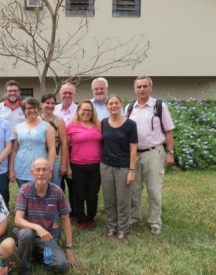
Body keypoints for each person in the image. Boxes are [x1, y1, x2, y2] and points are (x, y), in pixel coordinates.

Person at [13, 158, 76, 275]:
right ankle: (24, 268)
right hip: (26, 232)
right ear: (32, 173)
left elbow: (65, 218)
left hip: (45, 236)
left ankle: (35, 252)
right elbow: (17, 220)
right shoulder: (25, 189)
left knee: (61, 266)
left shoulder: (57, 191)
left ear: (50, 173)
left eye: (44, 170)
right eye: (38, 170)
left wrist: (69, 248)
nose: (41, 173)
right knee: (26, 234)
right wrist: (37, 227)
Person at [126, 76, 175, 235]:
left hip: (154, 152)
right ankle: (134, 217)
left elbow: (168, 130)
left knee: (154, 190)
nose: (141, 89)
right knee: (134, 189)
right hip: (134, 154)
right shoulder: (129, 107)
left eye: (144, 86)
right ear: (135, 89)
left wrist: (170, 153)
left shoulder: (159, 106)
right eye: (139, 87)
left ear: (150, 88)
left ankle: (155, 222)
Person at [100, 95, 138, 242]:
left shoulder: (130, 124)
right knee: (109, 199)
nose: (113, 105)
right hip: (106, 166)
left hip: (123, 168)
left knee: (123, 200)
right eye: (110, 103)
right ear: (107, 107)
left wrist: (131, 170)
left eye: (116, 103)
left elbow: (133, 149)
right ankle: (111, 227)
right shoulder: (103, 123)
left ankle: (123, 229)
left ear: (121, 104)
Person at [67, 100, 102, 229]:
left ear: (93, 112)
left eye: (89, 110)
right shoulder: (71, 126)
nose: (86, 112)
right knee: (78, 194)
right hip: (77, 166)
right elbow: (66, 147)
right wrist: (68, 166)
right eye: (84, 109)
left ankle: (91, 218)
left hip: (96, 166)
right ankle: (81, 219)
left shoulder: (98, 125)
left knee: (92, 194)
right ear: (78, 110)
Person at [9, 97, 56, 187]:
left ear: (38, 109)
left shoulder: (47, 126)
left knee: (40, 196)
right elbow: (14, 150)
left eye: (34, 108)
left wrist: (50, 169)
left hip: (40, 168)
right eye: (28, 108)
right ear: (23, 111)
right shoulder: (17, 127)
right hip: (21, 166)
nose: (32, 110)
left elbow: (52, 149)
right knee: (24, 195)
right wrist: (11, 169)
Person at [54, 82, 78, 216]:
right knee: (58, 184)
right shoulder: (54, 109)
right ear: (60, 94)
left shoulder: (79, 110)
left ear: (74, 94)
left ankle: (74, 212)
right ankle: (59, 210)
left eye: (70, 93)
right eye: (65, 92)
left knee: (73, 185)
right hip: (56, 152)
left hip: (74, 153)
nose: (67, 95)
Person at [40, 93, 68, 186]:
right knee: (41, 185)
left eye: (53, 103)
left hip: (56, 159)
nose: (50, 106)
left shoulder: (59, 120)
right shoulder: (36, 120)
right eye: (47, 103)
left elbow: (64, 143)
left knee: (55, 187)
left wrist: (63, 164)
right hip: (40, 159)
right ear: (41, 104)